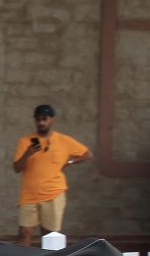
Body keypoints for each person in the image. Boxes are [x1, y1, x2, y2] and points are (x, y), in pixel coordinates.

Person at [12, 103, 92, 248]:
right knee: (24, 232)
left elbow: (87, 154)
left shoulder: (63, 140)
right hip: (29, 194)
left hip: (53, 193)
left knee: (49, 234)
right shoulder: (26, 141)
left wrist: (69, 161)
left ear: (52, 120)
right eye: (38, 119)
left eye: (44, 119)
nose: (41, 123)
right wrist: (28, 153)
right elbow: (17, 168)